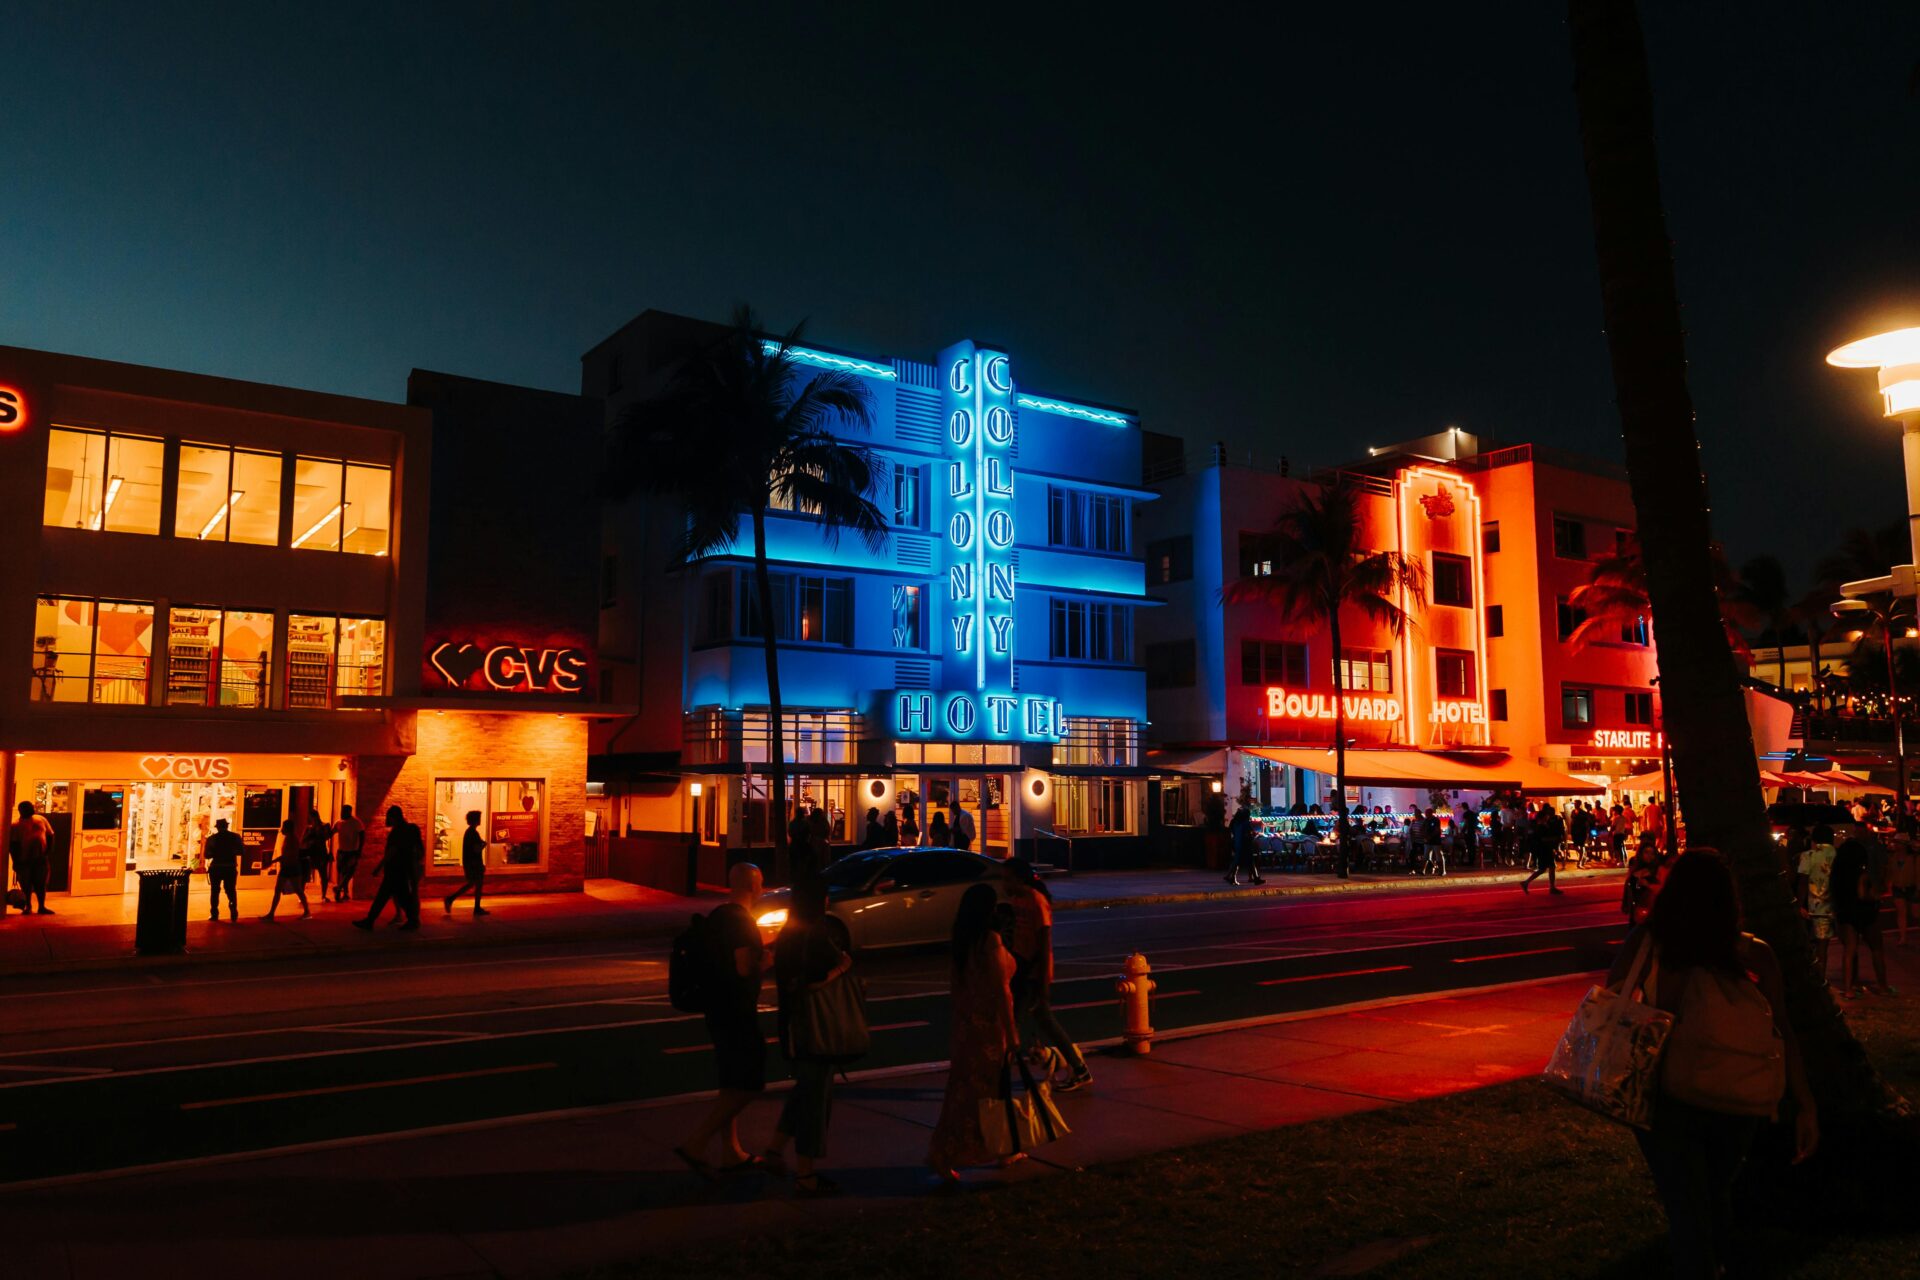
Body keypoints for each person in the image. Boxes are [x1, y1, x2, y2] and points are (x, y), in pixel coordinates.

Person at [1605, 850, 1817, 1278]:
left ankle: (1703, 1266)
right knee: (1715, 1192)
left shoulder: (1649, 943)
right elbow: (1783, 1031)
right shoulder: (1755, 954)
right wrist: (1805, 1103)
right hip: (1738, 1096)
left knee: (1686, 1207)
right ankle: (1719, 1262)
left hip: (1666, 1095)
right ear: (1728, 899)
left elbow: (1613, 1008)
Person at [675, 862, 771, 1174]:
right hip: (737, 1011)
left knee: (730, 1082)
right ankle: (696, 1143)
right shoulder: (743, 922)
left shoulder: (718, 916)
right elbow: (744, 968)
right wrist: (767, 962)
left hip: (715, 1008)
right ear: (755, 886)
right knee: (751, 1083)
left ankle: (732, 1151)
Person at [761, 875, 852, 1195]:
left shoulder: (789, 933)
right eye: (825, 897)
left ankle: (774, 1149)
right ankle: (805, 1174)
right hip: (817, 1026)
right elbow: (812, 981)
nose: (828, 902)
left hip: (793, 1025)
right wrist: (841, 968)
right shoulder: (815, 935)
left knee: (805, 1090)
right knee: (815, 1098)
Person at [928, 882, 1020, 1187]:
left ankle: (1001, 1149)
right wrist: (1012, 1032)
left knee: (968, 1092)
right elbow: (1001, 991)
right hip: (988, 1030)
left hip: (966, 1027)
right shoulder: (990, 941)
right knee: (984, 1095)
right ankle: (947, 1153)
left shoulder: (963, 941)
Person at [1005, 858, 1091, 1091]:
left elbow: (1044, 943)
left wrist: (1042, 982)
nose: (1004, 883)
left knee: (1020, 1021)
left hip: (1034, 971)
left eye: (1007, 878)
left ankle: (1079, 1069)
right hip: (1021, 968)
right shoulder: (1015, 900)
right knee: (1021, 1019)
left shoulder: (1036, 901)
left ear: (1018, 877)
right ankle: (1079, 1068)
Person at [1830, 837, 1894, 998]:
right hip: (1865, 913)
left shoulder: (1837, 874)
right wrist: (1876, 897)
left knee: (1850, 951)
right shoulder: (1862, 874)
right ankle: (1883, 986)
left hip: (1845, 913)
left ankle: (1849, 988)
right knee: (1876, 949)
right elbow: (1862, 895)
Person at [353, 805, 423, 932]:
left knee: (400, 897)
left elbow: (392, 851)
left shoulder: (397, 832)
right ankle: (370, 920)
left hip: (395, 869)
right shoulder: (408, 830)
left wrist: (378, 867)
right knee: (387, 896)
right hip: (401, 869)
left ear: (393, 817)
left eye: (388, 816)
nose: (386, 819)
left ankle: (413, 920)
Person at [1796, 823, 1840, 981]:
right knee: (1829, 946)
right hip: (1836, 905)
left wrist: (1799, 904)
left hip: (1815, 905)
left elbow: (1802, 881)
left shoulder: (1808, 855)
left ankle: (1817, 977)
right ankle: (1828, 977)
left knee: (1812, 945)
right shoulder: (1838, 854)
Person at [9, 801, 55, 915]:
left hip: (40, 858)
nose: (32, 809)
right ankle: (28, 906)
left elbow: (50, 835)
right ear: (21, 811)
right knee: (26, 885)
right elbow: (13, 845)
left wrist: (47, 852)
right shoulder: (15, 825)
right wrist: (16, 861)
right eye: (29, 808)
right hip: (24, 860)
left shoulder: (41, 819)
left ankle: (41, 906)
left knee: (41, 884)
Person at [262, 817, 311, 921]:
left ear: (287, 828)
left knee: (296, 890)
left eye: (283, 827)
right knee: (286, 889)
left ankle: (307, 912)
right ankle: (271, 914)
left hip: (291, 867)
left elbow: (287, 855)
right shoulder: (290, 838)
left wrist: (272, 861)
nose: (281, 829)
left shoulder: (291, 839)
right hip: (289, 866)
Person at [444, 810, 489, 917]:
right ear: (475, 820)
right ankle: (452, 899)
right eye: (478, 818)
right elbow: (476, 849)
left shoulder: (470, 832)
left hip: (471, 863)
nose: (480, 820)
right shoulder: (473, 833)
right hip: (474, 864)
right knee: (475, 884)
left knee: (474, 884)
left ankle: (453, 899)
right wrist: (483, 845)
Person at [204, 817, 243, 923]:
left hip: (216, 867)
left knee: (215, 890)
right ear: (227, 826)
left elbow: (207, 855)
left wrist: (216, 853)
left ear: (217, 828)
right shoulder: (236, 837)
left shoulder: (212, 839)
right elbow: (241, 851)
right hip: (230, 867)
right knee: (230, 890)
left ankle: (214, 913)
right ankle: (233, 908)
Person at [1523, 801, 1565, 894]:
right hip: (1544, 850)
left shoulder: (1542, 826)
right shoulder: (1542, 827)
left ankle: (1528, 883)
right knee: (1547, 867)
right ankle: (1551, 887)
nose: (1548, 816)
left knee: (1547, 868)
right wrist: (1554, 839)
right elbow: (1543, 839)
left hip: (1544, 849)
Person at [333, 803, 365, 902]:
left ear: (349, 812)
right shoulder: (339, 823)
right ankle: (345, 893)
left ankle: (339, 888)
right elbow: (331, 832)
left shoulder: (356, 823)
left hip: (352, 852)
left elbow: (362, 836)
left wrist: (359, 850)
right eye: (341, 811)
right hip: (341, 851)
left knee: (350, 872)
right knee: (342, 872)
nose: (341, 813)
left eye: (344, 812)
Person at [302, 810, 334, 903]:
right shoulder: (309, 828)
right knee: (306, 875)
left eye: (311, 817)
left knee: (323, 875)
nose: (311, 819)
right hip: (311, 853)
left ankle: (323, 895)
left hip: (321, 853)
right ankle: (302, 895)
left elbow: (327, 836)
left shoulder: (325, 826)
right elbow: (303, 840)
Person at [1226, 802, 1261, 886]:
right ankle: (1232, 877)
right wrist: (1254, 835)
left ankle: (1232, 877)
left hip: (1238, 844)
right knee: (1246, 862)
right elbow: (1248, 834)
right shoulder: (1245, 824)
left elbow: (1233, 832)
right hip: (1245, 845)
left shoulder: (1237, 823)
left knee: (1239, 861)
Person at [1570, 803, 1593, 867]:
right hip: (1575, 831)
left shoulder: (1583, 812)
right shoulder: (1573, 812)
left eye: (1576, 804)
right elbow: (1572, 820)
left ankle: (1579, 861)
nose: (1575, 805)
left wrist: (1587, 831)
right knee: (1576, 846)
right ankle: (1584, 856)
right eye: (1575, 804)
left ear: (1579, 805)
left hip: (1582, 831)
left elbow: (1587, 822)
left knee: (1582, 845)